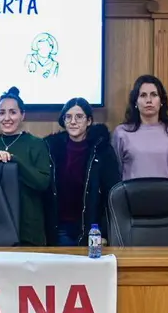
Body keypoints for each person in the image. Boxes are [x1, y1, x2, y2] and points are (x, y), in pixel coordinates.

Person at [0, 87, 51, 246]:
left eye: (13, 112)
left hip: (28, 229)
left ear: (22, 115)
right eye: (2, 113)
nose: (7, 118)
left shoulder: (36, 144)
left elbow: (42, 183)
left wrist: (14, 161)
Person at [44, 97, 121, 246]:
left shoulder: (102, 150)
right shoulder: (50, 148)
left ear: (89, 121)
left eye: (79, 117)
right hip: (60, 228)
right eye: (68, 117)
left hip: (92, 228)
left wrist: (104, 232)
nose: (73, 122)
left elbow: (112, 194)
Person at [111, 74, 168, 181]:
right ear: (135, 102)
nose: (149, 100)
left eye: (154, 95)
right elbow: (115, 172)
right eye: (143, 95)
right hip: (131, 196)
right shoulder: (122, 132)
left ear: (161, 101)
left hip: (167, 195)